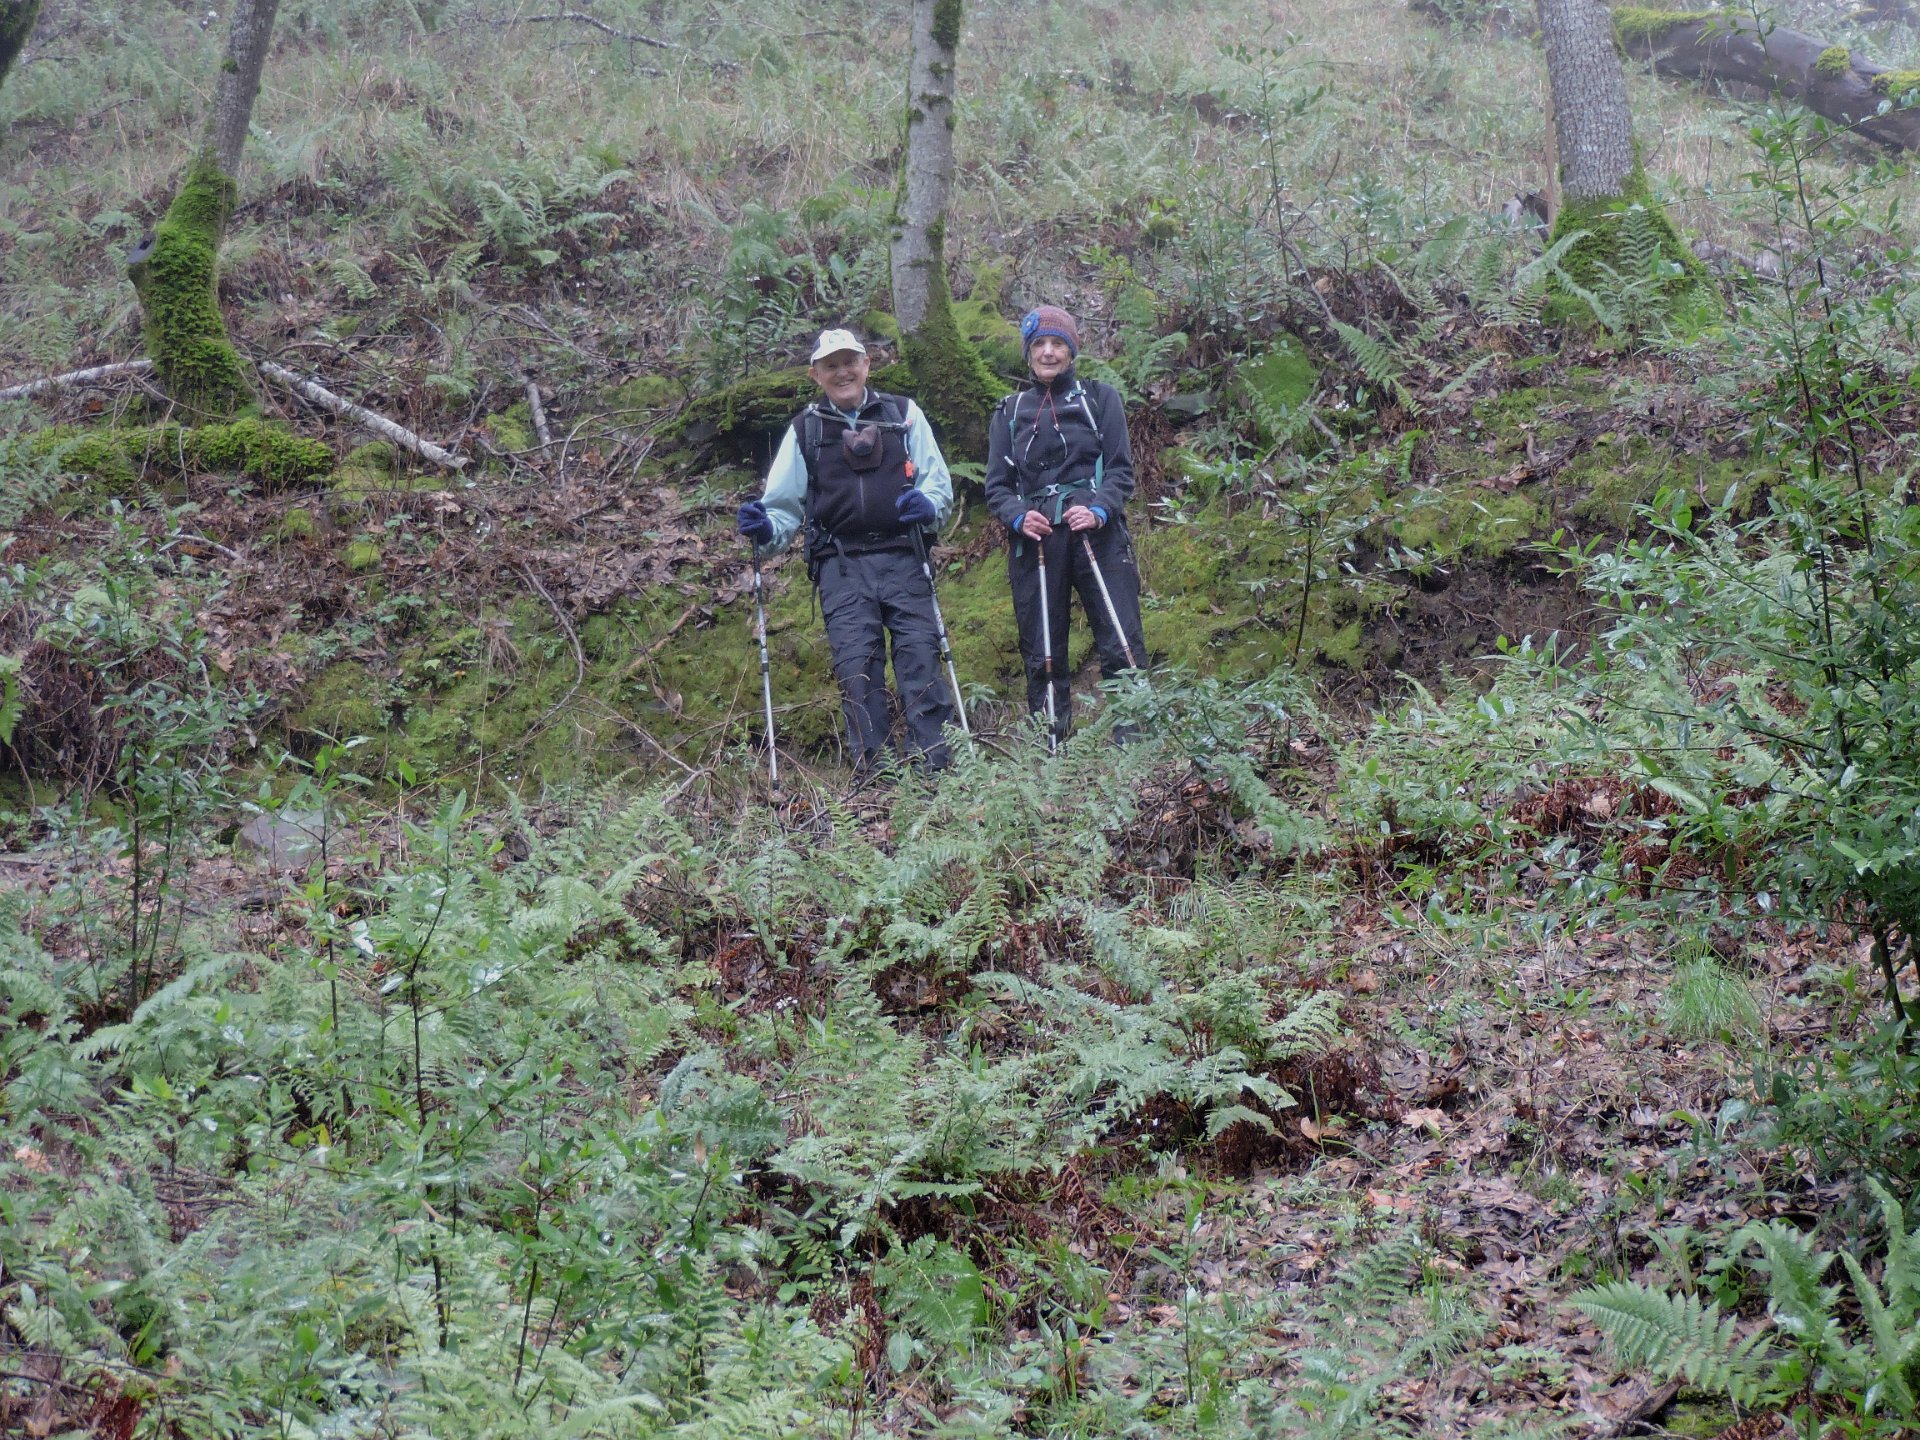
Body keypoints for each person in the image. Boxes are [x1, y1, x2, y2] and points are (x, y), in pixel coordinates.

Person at [737, 329, 958, 773]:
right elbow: (782, 509)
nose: (843, 373)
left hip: (904, 555)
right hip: (840, 566)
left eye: (850, 362)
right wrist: (764, 528)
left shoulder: (903, 414)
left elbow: (937, 487)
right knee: (857, 669)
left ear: (866, 365)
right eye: (831, 365)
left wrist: (928, 507)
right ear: (815, 374)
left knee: (920, 659)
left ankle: (937, 771)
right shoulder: (806, 429)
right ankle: (876, 777)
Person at [985, 305, 1147, 742]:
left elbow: (1120, 470)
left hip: (1097, 533)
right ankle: (1051, 745)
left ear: (1072, 350)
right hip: (1036, 540)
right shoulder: (1010, 411)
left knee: (1120, 636)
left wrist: (1098, 509)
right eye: (1039, 344)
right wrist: (1018, 516)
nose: (1048, 352)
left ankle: (1133, 742)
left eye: (1058, 343)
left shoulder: (1100, 398)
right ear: (1028, 351)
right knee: (1043, 649)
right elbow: (997, 485)